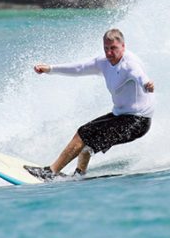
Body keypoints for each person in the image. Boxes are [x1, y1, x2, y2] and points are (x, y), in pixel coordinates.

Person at [24, 28, 154, 181]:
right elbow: (79, 68)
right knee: (86, 145)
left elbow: (140, 75)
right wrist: (50, 69)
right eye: (106, 48)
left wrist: (146, 84)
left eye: (113, 48)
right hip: (122, 116)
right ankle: (79, 176)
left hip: (137, 121)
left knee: (84, 133)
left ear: (123, 47)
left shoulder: (129, 64)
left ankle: (50, 172)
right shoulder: (103, 62)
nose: (109, 53)